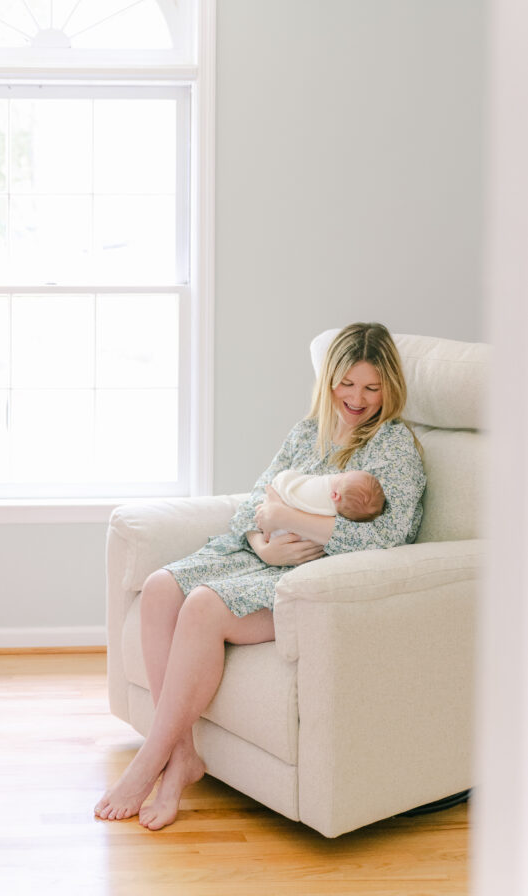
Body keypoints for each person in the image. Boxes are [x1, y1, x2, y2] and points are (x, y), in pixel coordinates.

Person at [94, 322, 426, 831]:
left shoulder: (394, 447)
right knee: (162, 587)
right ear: (328, 379)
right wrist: (262, 542)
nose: (356, 398)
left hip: (316, 577)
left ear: (390, 389)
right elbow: (255, 504)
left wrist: (287, 520)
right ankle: (181, 755)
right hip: (265, 558)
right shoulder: (307, 430)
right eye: (347, 383)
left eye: (371, 387)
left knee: (203, 606)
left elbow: (388, 538)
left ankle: (148, 764)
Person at [267, 468, 385, 538]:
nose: (338, 474)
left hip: (278, 521)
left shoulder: (321, 493)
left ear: (335, 495)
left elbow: (284, 482)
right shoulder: (334, 514)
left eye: (342, 476)